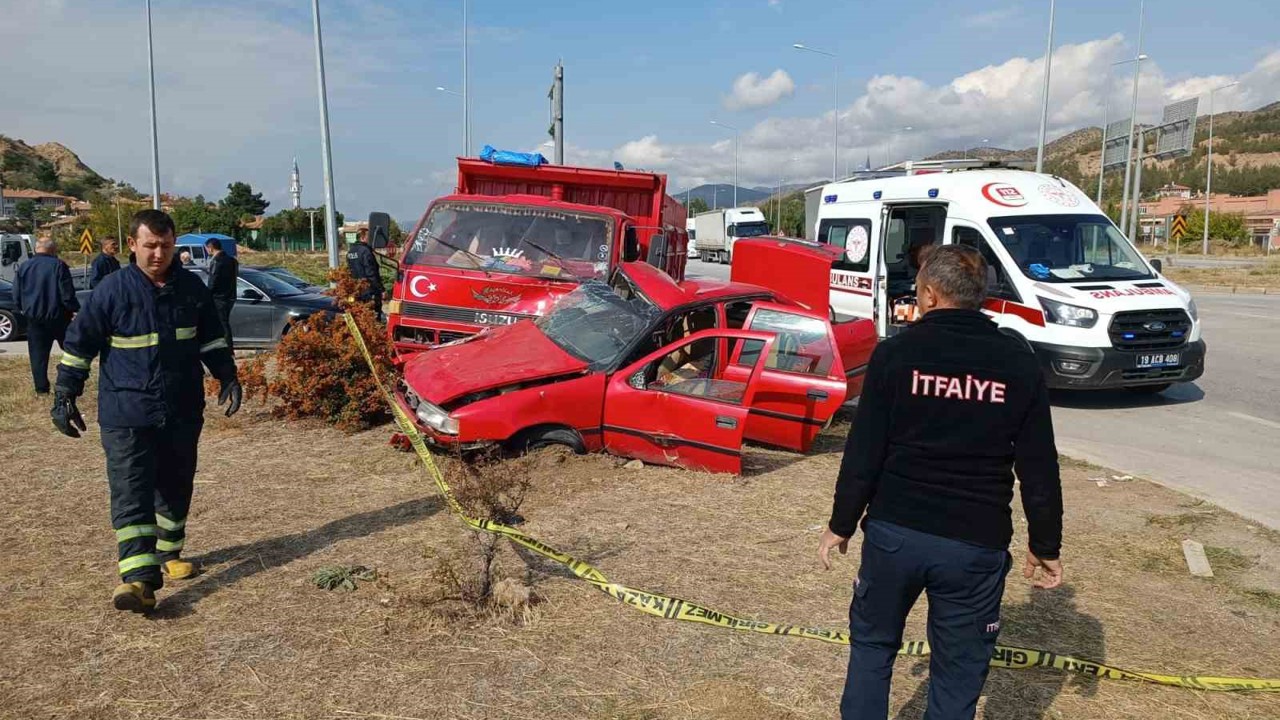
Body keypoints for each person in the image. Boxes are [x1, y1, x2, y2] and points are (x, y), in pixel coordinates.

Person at [817, 244, 1063, 720]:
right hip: (975, 544)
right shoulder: (1017, 362)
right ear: (981, 296)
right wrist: (1045, 543)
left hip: (896, 534)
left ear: (929, 294)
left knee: (872, 646)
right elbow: (1039, 465)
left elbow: (864, 451)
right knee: (959, 671)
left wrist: (841, 523)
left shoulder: (896, 354)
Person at [52, 209, 241, 613]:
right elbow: (79, 346)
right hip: (126, 411)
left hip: (181, 408)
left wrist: (227, 375)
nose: (158, 253)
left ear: (175, 245)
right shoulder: (111, 291)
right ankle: (138, 580)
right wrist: (65, 393)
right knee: (131, 489)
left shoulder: (192, 289)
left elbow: (211, 339)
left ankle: (170, 552)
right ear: (132, 246)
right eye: (150, 246)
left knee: (176, 483)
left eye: (166, 245)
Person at [13, 237, 79, 395]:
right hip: (59, 317)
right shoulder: (58, 266)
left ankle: (41, 389)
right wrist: (75, 310)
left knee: (38, 356)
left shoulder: (24, 267)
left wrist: (23, 309)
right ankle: (70, 382)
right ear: (52, 249)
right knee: (72, 350)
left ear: (36, 249)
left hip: (34, 319)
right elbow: (67, 293)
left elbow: (16, 293)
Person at [205, 237, 238, 349]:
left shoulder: (216, 261)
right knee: (224, 322)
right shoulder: (232, 260)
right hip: (231, 296)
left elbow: (213, 281)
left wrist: (206, 295)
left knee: (222, 324)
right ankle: (226, 347)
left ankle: (228, 349)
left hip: (218, 297)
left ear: (210, 248)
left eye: (207, 249)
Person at [346, 227, 384, 321]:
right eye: (368, 237)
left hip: (356, 291)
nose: (370, 239)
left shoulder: (350, 252)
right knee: (374, 318)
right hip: (369, 291)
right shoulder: (365, 251)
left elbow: (349, 271)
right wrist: (380, 290)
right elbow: (371, 273)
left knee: (359, 317)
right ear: (363, 237)